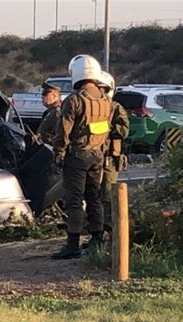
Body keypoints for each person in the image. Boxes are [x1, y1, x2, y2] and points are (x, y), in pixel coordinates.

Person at [52, 54, 112, 259]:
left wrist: (58, 153)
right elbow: (105, 129)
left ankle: (72, 244)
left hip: (77, 156)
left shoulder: (74, 100)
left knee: (74, 200)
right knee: (94, 197)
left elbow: (63, 131)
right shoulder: (106, 100)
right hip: (97, 154)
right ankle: (97, 239)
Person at [97, 71, 130, 234]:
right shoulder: (92, 107)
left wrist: (104, 127)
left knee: (107, 195)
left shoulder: (115, 108)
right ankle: (96, 230)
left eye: (102, 88)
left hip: (109, 157)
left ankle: (109, 229)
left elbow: (124, 130)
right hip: (93, 156)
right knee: (93, 195)